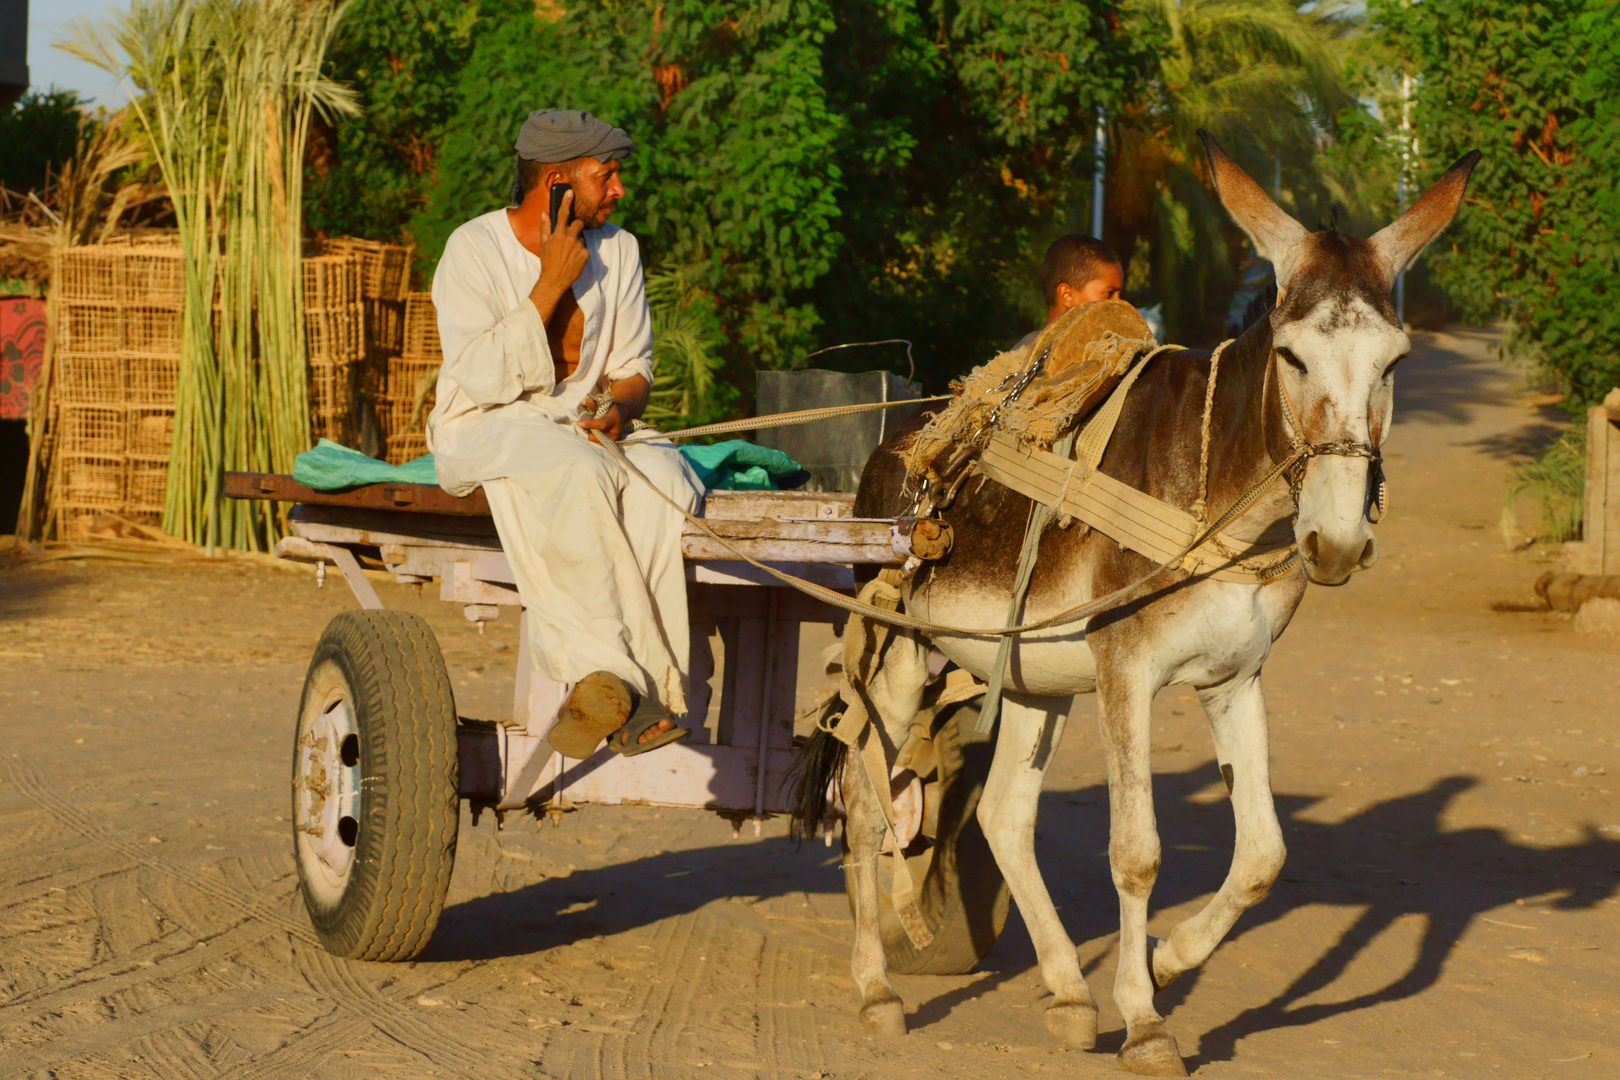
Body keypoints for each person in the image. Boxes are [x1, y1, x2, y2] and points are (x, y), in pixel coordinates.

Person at [426, 109, 703, 758]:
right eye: (604, 176)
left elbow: (635, 369)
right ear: (555, 181)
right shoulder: (473, 249)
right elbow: (483, 378)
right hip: (485, 426)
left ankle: (631, 687)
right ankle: (629, 691)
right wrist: (551, 279)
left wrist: (621, 408)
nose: (618, 190)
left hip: (585, 430)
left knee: (667, 479)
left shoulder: (621, 251)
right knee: (577, 473)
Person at [1015, 233, 1125, 349]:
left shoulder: (1111, 350)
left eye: (1119, 294)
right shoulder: (1022, 360)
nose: (1119, 303)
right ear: (1067, 295)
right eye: (1109, 293)